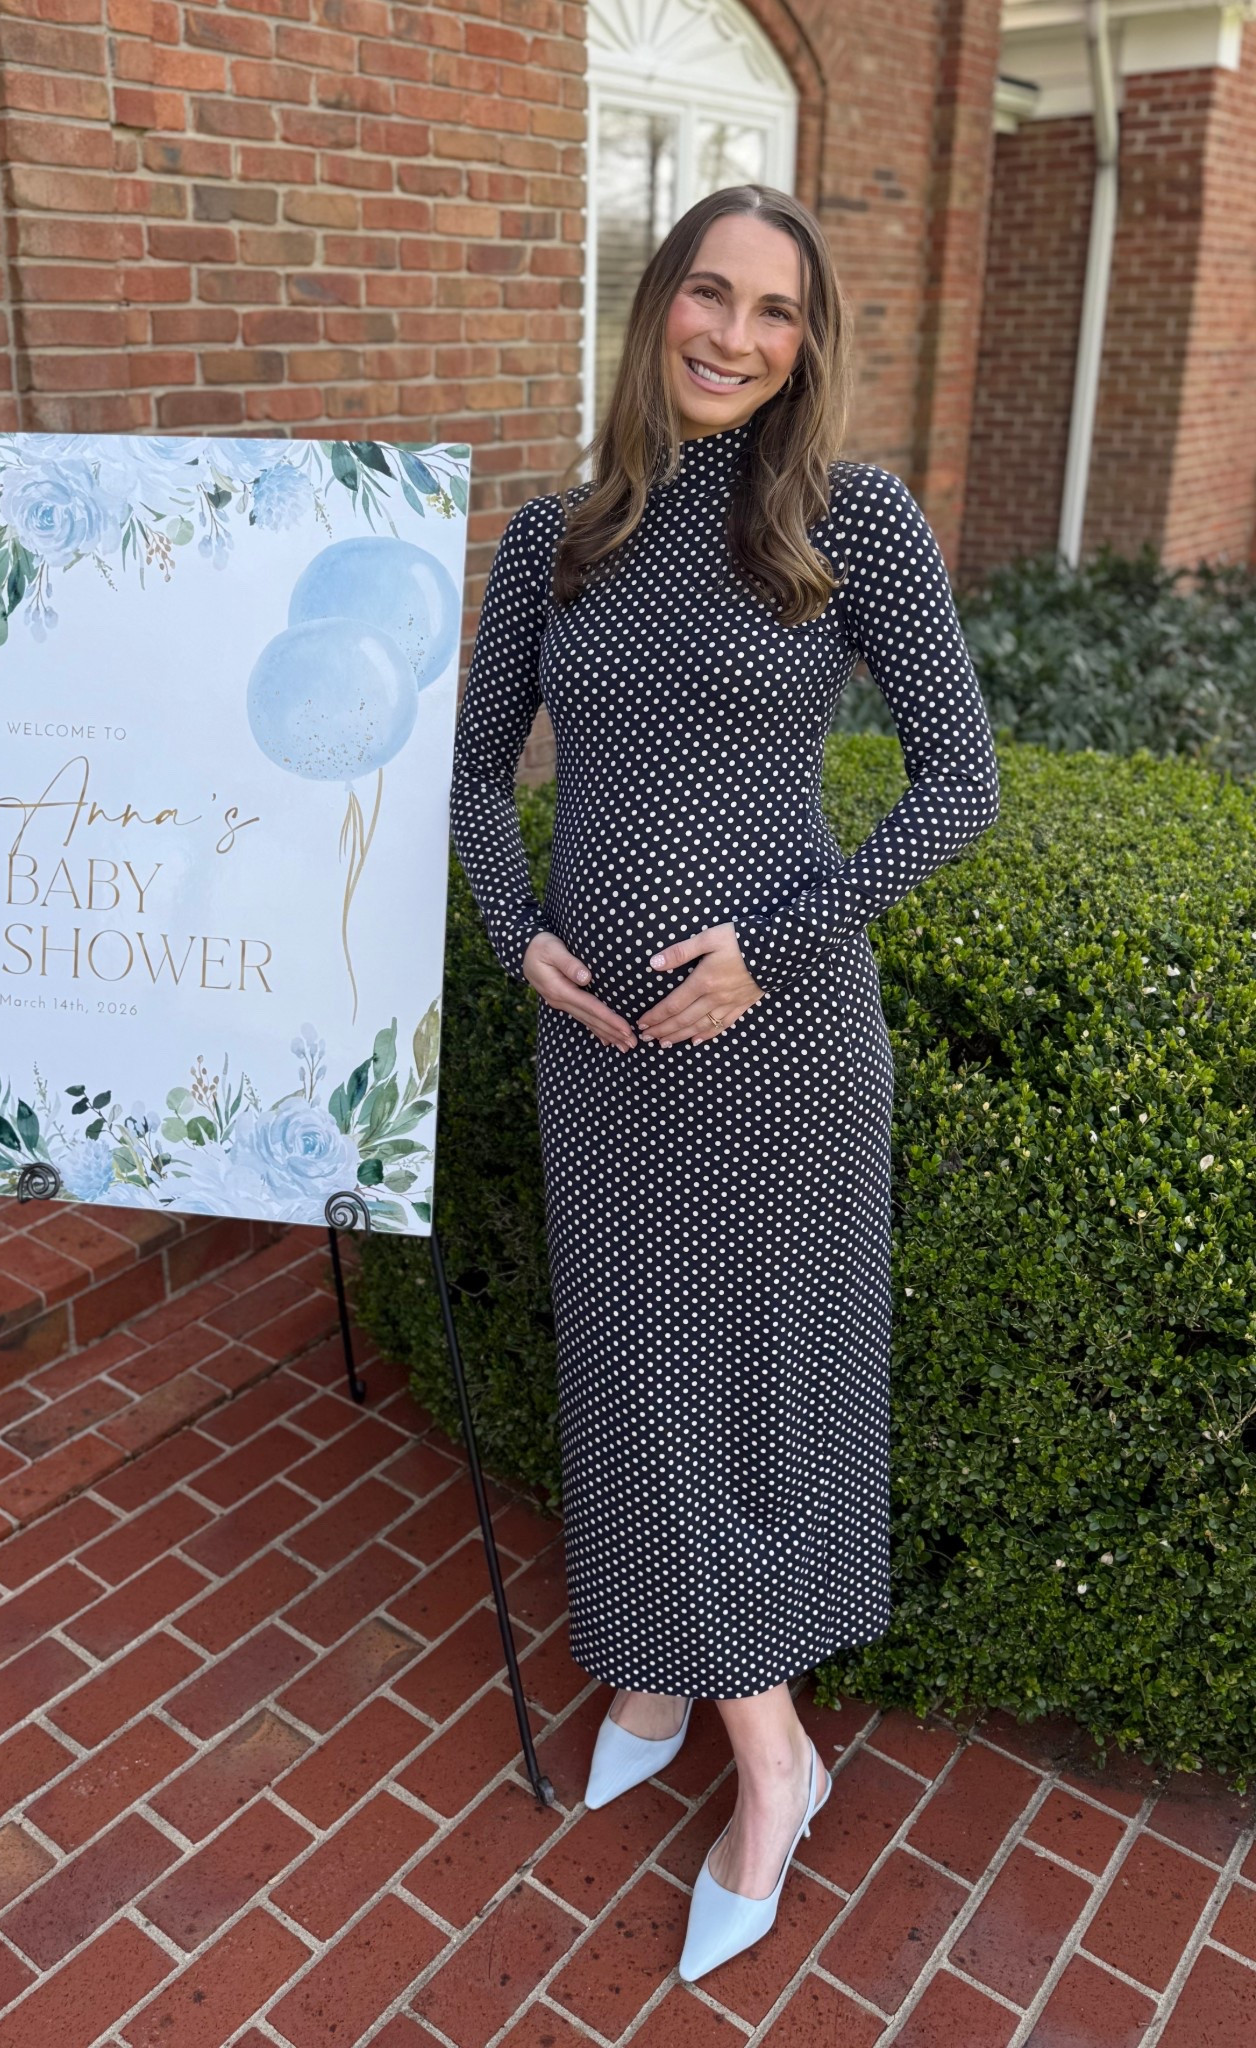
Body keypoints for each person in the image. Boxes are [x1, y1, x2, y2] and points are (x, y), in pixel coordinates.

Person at [447, 183, 1001, 1984]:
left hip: (779, 1052)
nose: (736, 337)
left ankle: (774, 1754)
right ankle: (669, 1671)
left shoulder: (852, 526)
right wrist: (519, 929)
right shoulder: (552, 542)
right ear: (657, 304)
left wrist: (777, 937)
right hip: (601, 1056)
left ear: (807, 343)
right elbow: (472, 788)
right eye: (711, 294)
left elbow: (958, 786)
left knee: (751, 1392)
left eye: (777, 312)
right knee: (632, 1376)